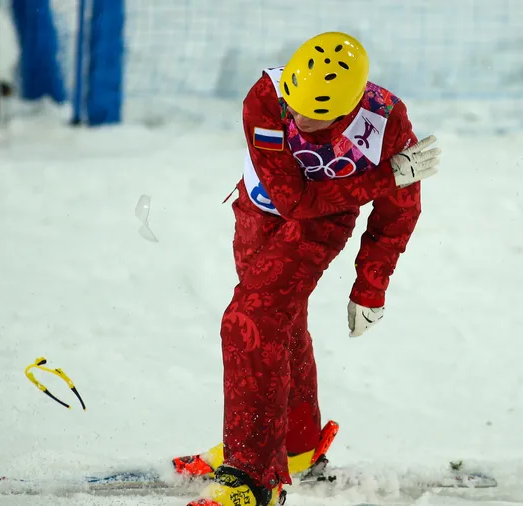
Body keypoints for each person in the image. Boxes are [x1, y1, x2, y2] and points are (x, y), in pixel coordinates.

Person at [174, 31, 441, 506]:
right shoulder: (266, 97)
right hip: (259, 212)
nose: (297, 118)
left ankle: (254, 477)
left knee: (249, 322)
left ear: (347, 109)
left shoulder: (385, 122)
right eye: (295, 105)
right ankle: (295, 447)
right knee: (279, 320)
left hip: (321, 225)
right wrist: (385, 175)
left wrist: (371, 286)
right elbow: (292, 198)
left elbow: (398, 211)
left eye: (315, 116)